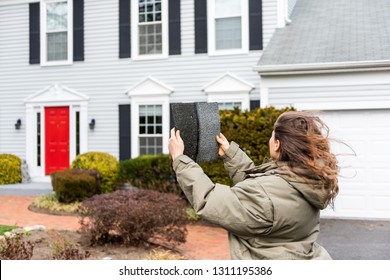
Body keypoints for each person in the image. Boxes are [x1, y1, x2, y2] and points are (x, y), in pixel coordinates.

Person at [168, 111, 339, 260]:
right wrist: (231, 155)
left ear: (277, 144)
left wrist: (180, 160)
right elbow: (262, 191)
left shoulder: (268, 193)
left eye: (272, 136)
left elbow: (209, 199)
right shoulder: (305, 179)